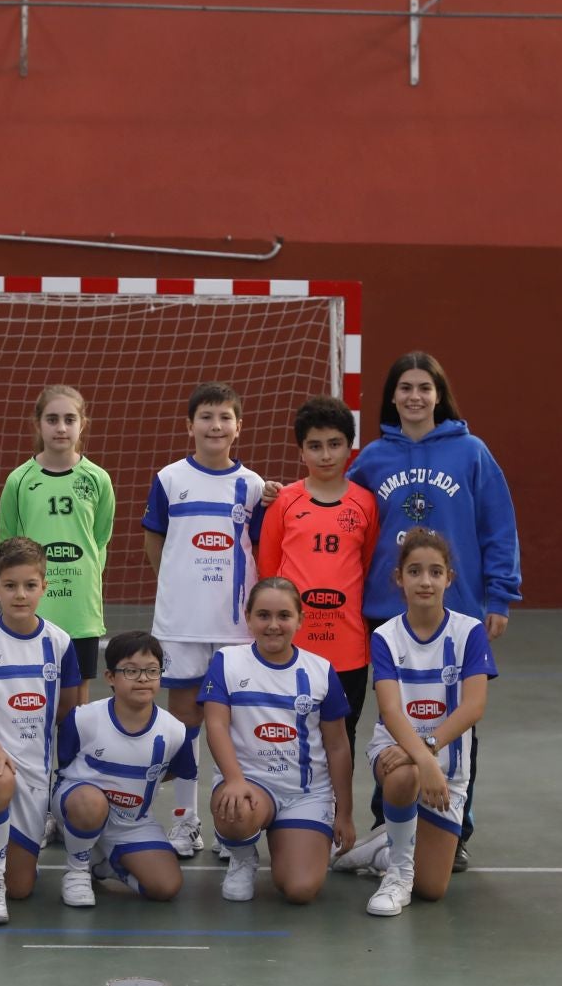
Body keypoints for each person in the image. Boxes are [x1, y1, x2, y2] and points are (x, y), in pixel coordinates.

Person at [345, 351, 519, 873]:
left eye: (424, 387)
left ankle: (454, 827)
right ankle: (388, 820)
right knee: (392, 716)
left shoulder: (471, 452)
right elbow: (341, 513)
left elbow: (498, 525)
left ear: (439, 394)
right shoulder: (372, 458)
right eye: (405, 388)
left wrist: (499, 595)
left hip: (456, 611)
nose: (415, 396)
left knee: (456, 717)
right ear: (392, 397)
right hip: (387, 611)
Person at [141, 383, 266, 859]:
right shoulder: (170, 478)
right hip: (182, 624)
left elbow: (259, 548)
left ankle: (231, 824)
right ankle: (186, 820)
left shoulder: (253, 486)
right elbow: (155, 541)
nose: (216, 426)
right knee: (185, 721)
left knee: (233, 725)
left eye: (225, 417)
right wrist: (179, 585)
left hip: (235, 627)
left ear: (240, 426)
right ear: (189, 425)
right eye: (206, 417)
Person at [256, 396, 379, 825]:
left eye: (334, 444)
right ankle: (289, 816)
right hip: (294, 648)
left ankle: (335, 815)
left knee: (341, 735)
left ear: (349, 447)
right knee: (288, 734)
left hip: (348, 647)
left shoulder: (365, 504)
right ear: (301, 451)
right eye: (315, 446)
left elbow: (367, 567)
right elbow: (269, 572)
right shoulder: (284, 501)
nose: (325, 455)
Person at [363, 530, 497, 916]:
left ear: (449, 579)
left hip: (447, 769)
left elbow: (473, 707)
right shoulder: (385, 636)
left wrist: (427, 752)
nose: (425, 581)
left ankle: (379, 849)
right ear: (399, 578)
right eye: (415, 571)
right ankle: (398, 874)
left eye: (435, 572)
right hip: (397, 752)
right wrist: (422, 759)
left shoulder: (469, 632)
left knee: (433, 889)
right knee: (404, 776)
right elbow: (391, 711)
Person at [201, 578, 355, 904]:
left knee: (300, 890)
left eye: (284, 616)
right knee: (235, 810)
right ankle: (242, 857)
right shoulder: (227, 662)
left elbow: (338, 746)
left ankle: (303, 840)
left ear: (300, 619)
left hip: (305, 794)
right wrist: (234, 780)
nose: (273, 625)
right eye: (263, 615)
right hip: (250, 783)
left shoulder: (320, 670)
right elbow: (215, 725)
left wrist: (344, 812)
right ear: (248, 618)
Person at [0, 537, 83, 923]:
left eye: (30, 585)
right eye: (10, 586)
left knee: (23, 888)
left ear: (44, 586)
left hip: (34, 769)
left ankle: (12, 861)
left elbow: (68, 711)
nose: (20, 595)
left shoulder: (59, 643)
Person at [53, 632, 195, 907]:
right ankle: (77, 869)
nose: (142, 678)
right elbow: (65, 765)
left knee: (165, 887)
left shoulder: (175, 731)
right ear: (110, 677)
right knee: (89, 802)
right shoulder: (83, 719)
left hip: (132, 823)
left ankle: (102, 864)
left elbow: (174, 771)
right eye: (131, 671)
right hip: (81, 806)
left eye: (151, 671)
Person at [0, 385, 114, 701]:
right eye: (52, 419)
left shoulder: (98, 479)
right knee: (30, 693)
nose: (61, 428)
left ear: (82, 424)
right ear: (38, 424)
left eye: (69, 419)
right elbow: (6, 543)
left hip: (79, 607)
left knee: (75, 700)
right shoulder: (19, 480)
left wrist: (84, 578)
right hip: (34, 603)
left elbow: (100, 539)